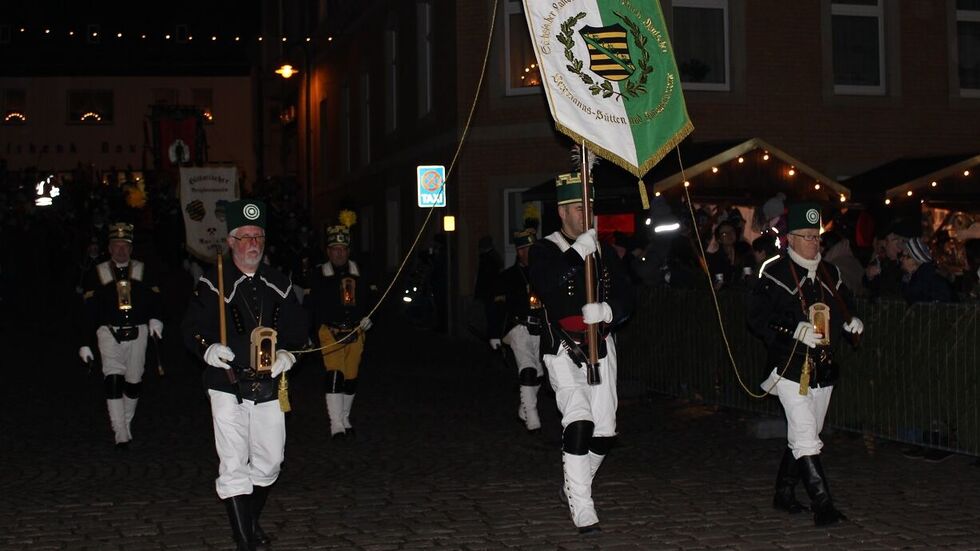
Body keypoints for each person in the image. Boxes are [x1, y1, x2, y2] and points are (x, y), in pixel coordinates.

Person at [181, 199, 308, 550]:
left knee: (270, 462)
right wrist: (207, 347)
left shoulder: (279, 283)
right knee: (234, 463)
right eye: (245, 236)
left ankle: (248, 521)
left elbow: (299, 330)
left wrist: (289, 353)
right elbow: (190, 327)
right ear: (232, 241)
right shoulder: (212, 281)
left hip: (268, 385)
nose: (253, 243)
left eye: (258, 237)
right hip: (227, 384)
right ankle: (245, 543)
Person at [528, 172, 633, 534]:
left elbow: (627, 296)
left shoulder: (603, 250)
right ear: (562, 212)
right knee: (579, 419)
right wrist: (577, 254)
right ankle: (583, 506)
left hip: (601, 345)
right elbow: (548, 284)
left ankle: (573, 484)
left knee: (604, 433)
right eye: (577, 208)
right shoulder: (545, 249)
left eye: (588, 207)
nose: (584, 215)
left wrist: (609, 312)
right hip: (562, 347)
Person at [748, 202, 864, 527]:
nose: (816, 243)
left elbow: (846, 306)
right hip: (788, 367)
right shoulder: (773, 272)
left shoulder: (831, 271)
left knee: (805, 434)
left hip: (822, 368)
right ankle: (823, 505)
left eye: (818, 237)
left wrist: (852, 321)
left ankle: (783, 493)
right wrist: (792, 329)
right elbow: (757, 318)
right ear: (791, 239)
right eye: (809, 236)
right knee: (806, 437)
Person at [78, 222, 163, 450]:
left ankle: (125, 423)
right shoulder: (97, 273)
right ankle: (120, 432)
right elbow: (89, 311)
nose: (121, 251)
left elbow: (156, 300)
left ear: (131, 248)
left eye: (125, 246)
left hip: (139, 331)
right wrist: (85, 343)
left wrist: (156, 319)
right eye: (116, 246)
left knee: (134, 381)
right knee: (113, 378)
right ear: (109, 247)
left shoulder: (144, 270)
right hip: (108, 332)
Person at [307, 216, 373, 440]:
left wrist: (369, 318)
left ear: (348, 250)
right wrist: (310, 334)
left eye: (342, 249)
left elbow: (372, 300)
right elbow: (311, 307)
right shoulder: (318, 274)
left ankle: (345, 417)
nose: (339, 253)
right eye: (334, 249)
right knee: (335, 374)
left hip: (356, 331)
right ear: (328, 251)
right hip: (330, 332)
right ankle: (335, 424)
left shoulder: (360, 272)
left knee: (351, 377)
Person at [489, 228, 545, 432]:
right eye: (524, 249)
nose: (527, 253)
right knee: (528, 369)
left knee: (539, 372)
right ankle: (532, 417)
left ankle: (524, 408)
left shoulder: (543, 274)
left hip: (539, 328)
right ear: (518, 251)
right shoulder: (508, 277)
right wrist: (494, 333)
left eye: (531, 248)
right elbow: (497, 307)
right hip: (517, 327)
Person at [899, 237, 953, 304]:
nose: (900, 259)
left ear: (914, 260)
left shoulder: (934, 283)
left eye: (903, 256)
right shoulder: (909, 279)